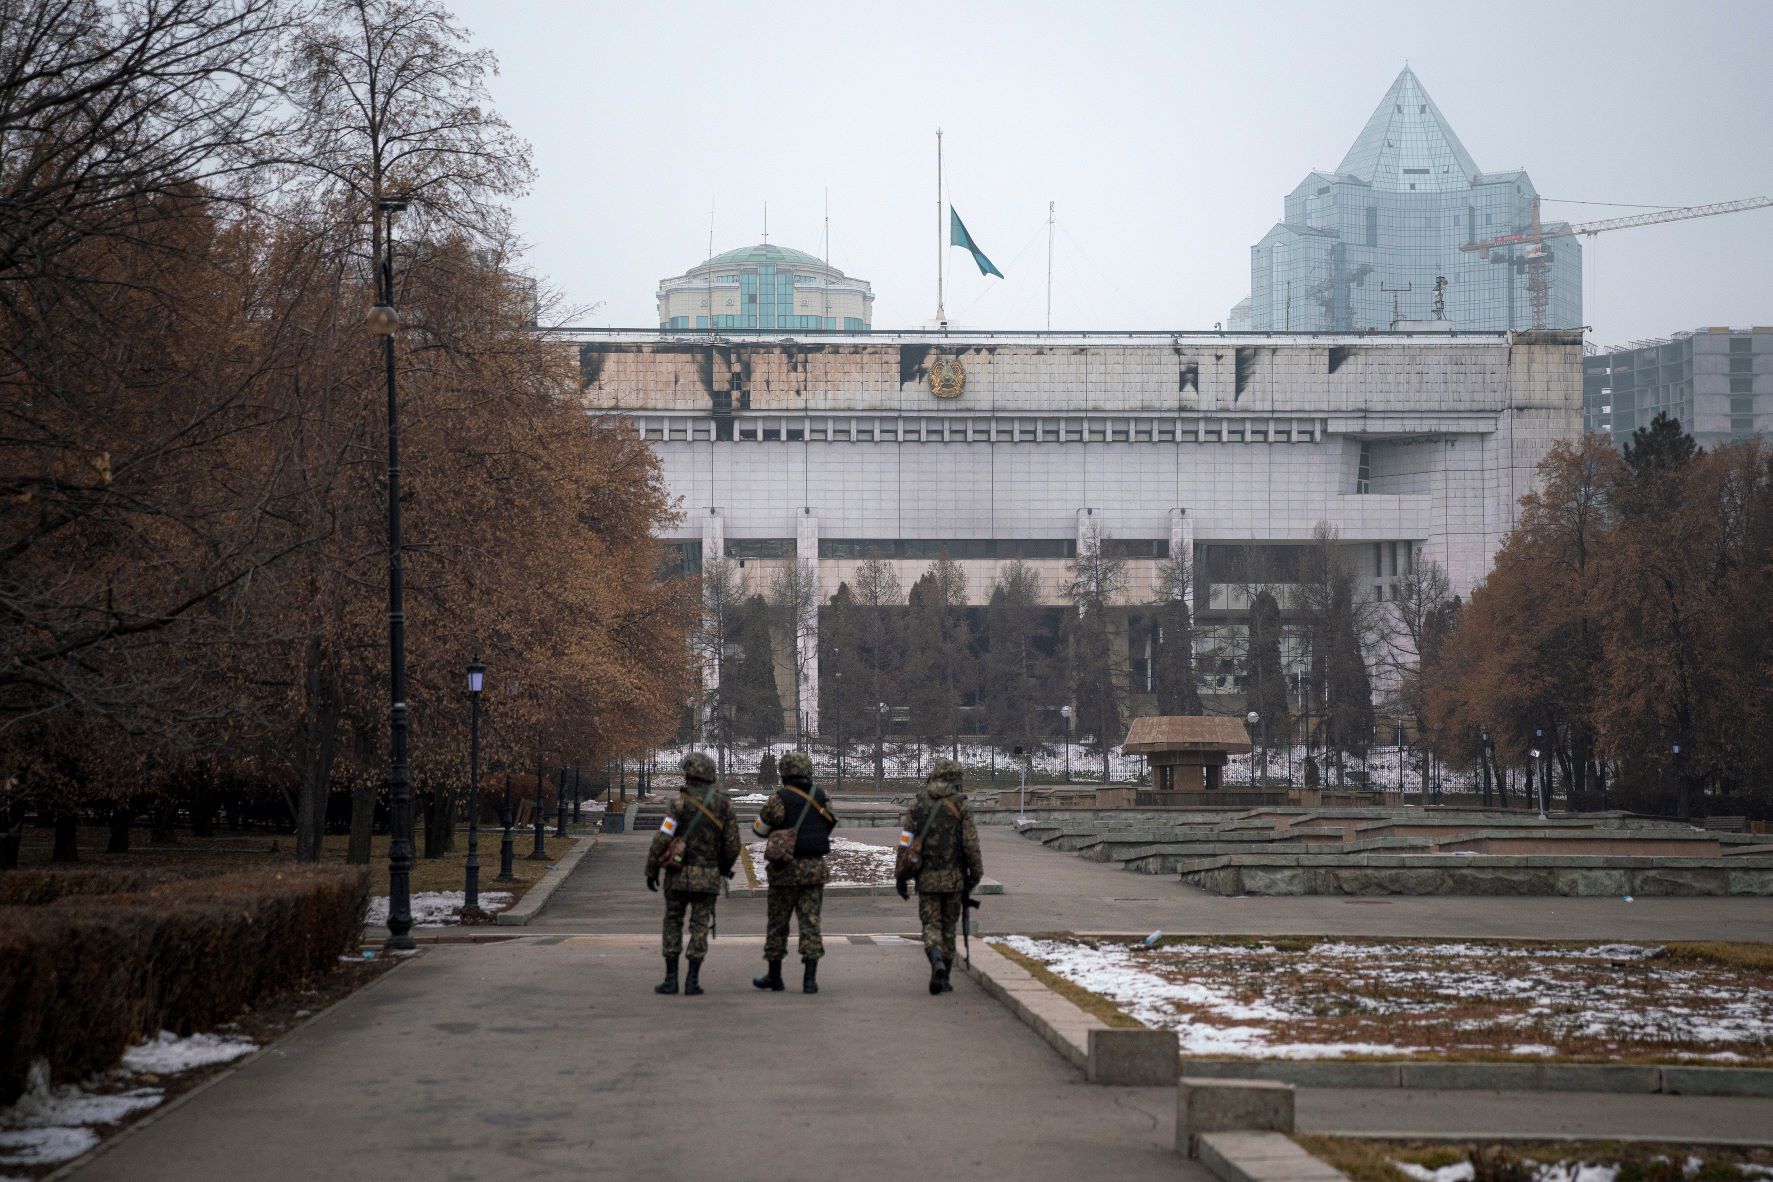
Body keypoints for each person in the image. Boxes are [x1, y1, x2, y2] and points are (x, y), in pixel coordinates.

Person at [646, 752, 739, 996]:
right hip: (708, 876)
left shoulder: (679, 803)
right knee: (700, 925)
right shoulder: (724, 805)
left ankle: (670, 979)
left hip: (677, 874)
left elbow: (663, 837)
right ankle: (692, 980)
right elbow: (732, 844)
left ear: (689, 776)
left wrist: (652, 869)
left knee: (673, 922)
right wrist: (723, 867)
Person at [750, 750, 837, 994]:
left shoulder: (779, 799)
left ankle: (774, 976)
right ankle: (809, 980)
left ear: (784, 773)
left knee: (778, 923)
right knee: (811, 923)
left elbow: (760, 829)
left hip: (784, 870)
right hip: (814, 869)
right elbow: (830, 822)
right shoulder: (821, 796)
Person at [895, 759, 983, 995]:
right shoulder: (961, 805)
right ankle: (945, 978)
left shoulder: (918, 803)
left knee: (930, 925)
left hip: (927, 879)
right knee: (948, 927)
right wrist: (976, 874)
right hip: (954, 879)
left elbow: (905, 841)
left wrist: (900, 876)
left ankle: (936, 962)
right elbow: (971, 844)